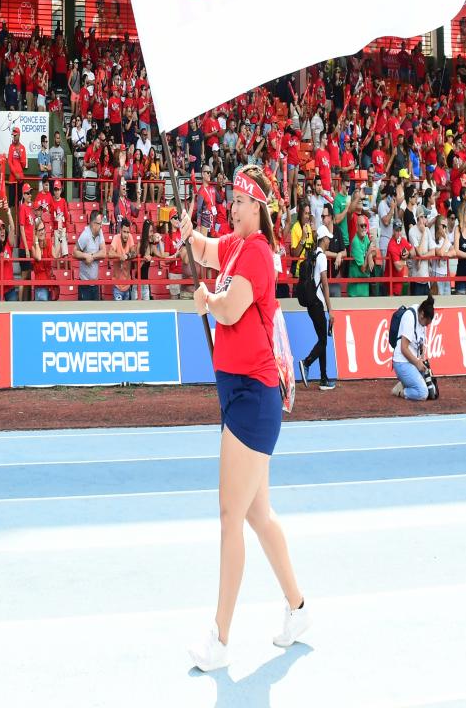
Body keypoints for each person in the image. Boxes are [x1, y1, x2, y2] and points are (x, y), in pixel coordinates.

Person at [181, 167, 308, 671]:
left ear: (258, 208)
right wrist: (184, 228)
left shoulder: (257, 252)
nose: (231, 208)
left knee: (230, 517)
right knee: (257, 514)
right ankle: (297, 608)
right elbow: (202, 250)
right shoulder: (233, 246)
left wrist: (206, 302)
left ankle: (221, 638)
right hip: (239, 391)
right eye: (230, 200)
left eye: (239, 201)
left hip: (253, 395)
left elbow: (231, 310)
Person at [300, 223, 334, 391]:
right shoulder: (321, 258)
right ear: (323, 239)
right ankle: (306, 362)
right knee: (323, 340)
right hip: (318, 303)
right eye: (328, 238)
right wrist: (330, 310)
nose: (329, 241)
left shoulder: (314, 255)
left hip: (311, 303)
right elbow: (325, 285)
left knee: (323, 339)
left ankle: (323, 378)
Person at [392, 295, 436, 401]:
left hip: (413, 361)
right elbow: (404, 348)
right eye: (426, 323)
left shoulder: (422, 319)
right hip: (402, 362)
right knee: (423, 393)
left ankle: (405, 383)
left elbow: (421, 344)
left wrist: (422, 360)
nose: (426, 326)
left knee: (432, 390)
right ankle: (400, 391)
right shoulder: (409, 317)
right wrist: (417, 363)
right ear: (422, 315)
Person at [74, 209, 105, 301]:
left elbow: (103, 252)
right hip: (84, 284)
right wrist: (85, 256)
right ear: (93, 223)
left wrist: (91, 256)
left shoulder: (100, 232)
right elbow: (74, 252)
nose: (101, 226)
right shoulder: (85, 235)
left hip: (95, 283)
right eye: (99, 224)